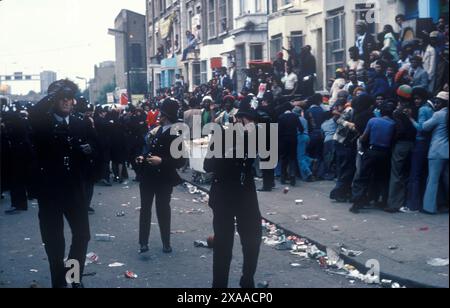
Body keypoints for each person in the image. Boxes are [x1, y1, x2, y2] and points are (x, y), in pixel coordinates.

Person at [29, 79, 93, 288]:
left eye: (70, 98)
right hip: (50, 192)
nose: (68, 102)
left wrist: (88, 153)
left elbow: (96, 152)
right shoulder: (41, 123)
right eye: (63, 99)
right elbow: (34, 113)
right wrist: (54, 93)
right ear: (55, 100)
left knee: (82, 235)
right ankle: (59, 282)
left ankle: (73, 277)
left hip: (74, 190)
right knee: (54, 242)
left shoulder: (80, 123)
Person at [204, 103, 262, 288]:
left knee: (251, 240)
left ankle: (247, 280)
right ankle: (222, 285)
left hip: (243, 195)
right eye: (248, 121)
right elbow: (209, 166)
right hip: (227, 195)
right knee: (224, 244)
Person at [136, 98, 186, 254]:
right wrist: (142, 157)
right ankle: (143, 242)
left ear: (167, 115)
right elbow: (149, 151)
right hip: (148, 176)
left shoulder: (176, 135)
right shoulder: (157, 130)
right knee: (145, 209)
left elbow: (180, 161)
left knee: (163, 210)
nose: (159, 115)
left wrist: (161, 161)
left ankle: (166, 242)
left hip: (164, 178)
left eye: (162, 113)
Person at [350, 101, 396, 214]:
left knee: (363, 177)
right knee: (382, 178)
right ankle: (382, 201)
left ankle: (357, 203)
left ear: (380, 111)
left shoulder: (373, 120)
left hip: (372, 151)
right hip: (385, 153)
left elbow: (364, 137)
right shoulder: (393, 124)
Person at [402, 87, 435, 213]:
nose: (416, 101)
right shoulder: (431, 109)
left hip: (420, 143)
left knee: (414, 175)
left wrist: (410, 118)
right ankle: (421, 203)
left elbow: (421, 128)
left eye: (418, 98)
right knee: (423, 174)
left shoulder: (422, 109)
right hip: (428, 144)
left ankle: (412, 205)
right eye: (415, 98)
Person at [386, 86, 416, 213]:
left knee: (396, 174)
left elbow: (399, 130)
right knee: (407, 173)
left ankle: (394, 203)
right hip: (413, 144)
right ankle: (405, 201)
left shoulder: (397, 112)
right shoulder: (414, 109)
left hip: (401, 144)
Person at [422, 91, 449, 214]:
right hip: (447, 152)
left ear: (443, 103)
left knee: (433, 179)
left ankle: (429, 207)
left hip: (437, 151)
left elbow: (425, 127)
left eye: (438, 102)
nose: (436, 104)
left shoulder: (438, 115)